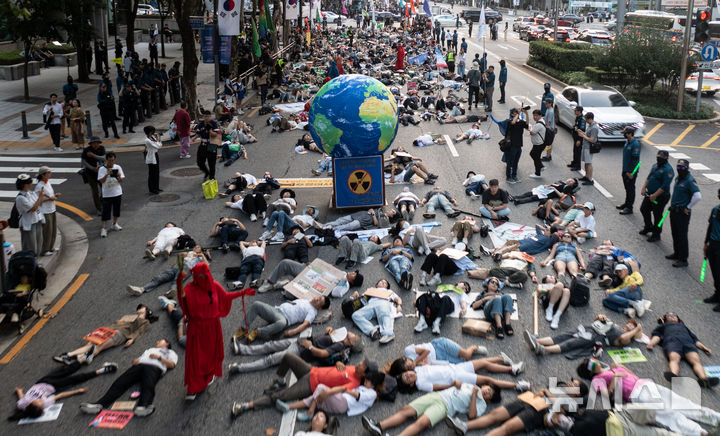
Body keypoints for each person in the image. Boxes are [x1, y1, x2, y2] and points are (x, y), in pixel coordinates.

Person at [577, 358, 720, 435]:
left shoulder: (612, 367)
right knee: (668, 415)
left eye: (591, 359)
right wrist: (614, 378)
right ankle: (699, 432)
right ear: (589, 372)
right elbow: (606, 394)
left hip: (645, 384)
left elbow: (632, 375)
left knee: (683, 403)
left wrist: (620, 367)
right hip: (636, 394)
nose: (594, 361)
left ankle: (715, 418)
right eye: (590, 363)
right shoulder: (596, 380)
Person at [231, 354, 375, 417]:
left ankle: (245, 406)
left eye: (363, 364)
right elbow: (335, 370)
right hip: (311, 370)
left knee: (280, 396)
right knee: (288, 356)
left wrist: (321, 396)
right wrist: (337, 362)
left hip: (310, 386)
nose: (360, 363)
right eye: (362, 361)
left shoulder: (355, 383)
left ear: (364, 374)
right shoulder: (352, 368)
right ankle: (280, 381)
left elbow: (338, 392)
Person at [179, 262, 243, 400]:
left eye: (205, 274)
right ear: (195, 276)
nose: (203, 277)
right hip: (197, 328)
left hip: (213, 327)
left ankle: (207, 378)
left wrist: (243, 293)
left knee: (210, 355)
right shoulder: (189, 288)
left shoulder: (214, 286)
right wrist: (179, 282)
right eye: (200, 275)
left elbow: (226, 297)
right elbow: (183, 302)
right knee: (195, 357)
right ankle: (193, 387)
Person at [79, 339, 177, 417]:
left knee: (148, 384)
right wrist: (135, 361)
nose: (157, 342)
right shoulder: (150, 349)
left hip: (154, 367)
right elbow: (139, 359)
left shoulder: (171, 352)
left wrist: (159, 358)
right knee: (120, 382)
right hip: (139, 366)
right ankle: (99, 404)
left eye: (160, 340)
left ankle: (143, 406)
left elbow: (172, 365)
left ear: (167, 343)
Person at [361, 382, 501, 436]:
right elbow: (453, 385)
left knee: (421, 423)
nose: (486, 391)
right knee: (406, 410)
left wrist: (476, 394)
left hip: (445, 407)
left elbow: (471, 415)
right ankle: (379, 426)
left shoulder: (482, 403)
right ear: (484, 386)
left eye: (489, 393)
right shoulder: (470, 385)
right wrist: (455, 384)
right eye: (487, 389)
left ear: (489, 399)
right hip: (437, 396)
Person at [9, 361, 117, 421]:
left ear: (30, 404)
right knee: (76, 378)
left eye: (38, 402)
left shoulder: (22, 404)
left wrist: (19, 390)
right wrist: (77, 391)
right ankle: (102, 370)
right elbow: (60, 396)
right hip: (54, 386)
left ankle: (82, 359)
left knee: (64, 371)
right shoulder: (45, 404)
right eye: (41, 403)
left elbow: (21, 397)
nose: (41, 401)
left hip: (42, 381)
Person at [229, 326, 363, 374]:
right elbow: (324, 341)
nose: (353, 333)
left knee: (270, 359)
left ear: (352, 343)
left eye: (355, 336)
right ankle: (241, 349)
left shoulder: (340, 346)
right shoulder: (340, 336)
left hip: (302, 350)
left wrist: (310, 346)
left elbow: (323, 353)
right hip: (300, 342)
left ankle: (240, 367)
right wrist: (328, 330)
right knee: (269, 345)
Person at [53, 305, 155, 365]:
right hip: (108, 329)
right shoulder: (130, 316)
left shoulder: (145, 322)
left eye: (141, 307)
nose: (139, 309)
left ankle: (70, 356)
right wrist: (120, 321)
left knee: (98, 347)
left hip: (120, 334)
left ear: (146, 310)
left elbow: (139, 331)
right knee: (90, 345)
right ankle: (72, 357)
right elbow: (117, 323)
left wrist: (132, 339)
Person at [647, 312, 718, 387]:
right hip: (672, 342)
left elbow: (695, 340)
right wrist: (651, 344)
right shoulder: (663, 326)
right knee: (674, 359)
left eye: (674, 315)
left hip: (688, 343)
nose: (672, 316)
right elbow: (657, 336)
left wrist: (704, 348)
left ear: (678, 318)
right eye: (669, 316)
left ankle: (704, 380)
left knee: (696, 361)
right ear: (664, 319)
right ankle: (673, 376)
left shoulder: (684, 326)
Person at [524, 314, 644, 358]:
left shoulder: (627, 337)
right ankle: (536, 340)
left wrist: (637, 329)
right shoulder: (617, 326)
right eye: (629, 323)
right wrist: (600, 317)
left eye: (632, 326)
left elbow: (623, 339)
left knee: (571, 343)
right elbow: (596, 320)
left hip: (598, 338)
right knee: (563, 336)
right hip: (590, 329)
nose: (629, 325)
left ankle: (544, 350)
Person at [281, 370, 384, 421]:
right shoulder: (367, 388)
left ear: (374, 384)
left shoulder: (373, 394)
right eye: (365, 380)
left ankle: (310, 413)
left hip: (343, 403)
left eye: (368, 381)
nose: (365, 382)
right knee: (316, 398)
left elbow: (358, 396)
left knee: (321, 388)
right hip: (340, 402)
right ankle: (288, 407)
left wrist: (345, 390)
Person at [237, 295, 330, 343]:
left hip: (283, 319)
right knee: (256, 304)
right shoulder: (306, 300)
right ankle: (243, 328)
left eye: (319, 301)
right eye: (319, 297)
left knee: (281, 323)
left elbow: (305, 324)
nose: (316, 299)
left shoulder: (313, 312)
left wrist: (292, 332)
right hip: (276, 310)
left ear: (320, 308)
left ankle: (257, 332)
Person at [257, 258, 363, 297]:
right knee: (285, 263)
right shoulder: (343, 272)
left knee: (289, 294)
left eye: (354, 274)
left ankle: (285, 284)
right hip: (309, 272)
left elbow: (335, 293)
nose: (353, 272)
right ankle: (270, 283)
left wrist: (341, 281)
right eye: (354, 272)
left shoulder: (345, 286)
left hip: (312, 287)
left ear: (353, 281)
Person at [666, 158, 701, 268]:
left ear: (687, 168)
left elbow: (698, 196)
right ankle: (677, 253)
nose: (679, 169)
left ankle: (683, 259)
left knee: (682, 235)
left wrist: (688, 207)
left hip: (682, 213)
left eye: (682, 167)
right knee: (675, 233)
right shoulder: (678, 178)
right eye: (678, 167)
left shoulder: (690, 180)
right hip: (674, 210)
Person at [350, 279, 402, 343]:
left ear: (386, 287)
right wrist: (355, 296)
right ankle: (372, 330)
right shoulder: (371, 289)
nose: (383, 283)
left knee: (384, 315)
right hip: (371, 304)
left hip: (383, 302)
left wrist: (399, 305)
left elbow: (398, 298)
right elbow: (362, 298)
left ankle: (388, 333)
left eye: (385, 283)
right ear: (377, 284)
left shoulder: (389, 291)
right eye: (381, 281)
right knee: (355, 315)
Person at [640, 150, 674, 242]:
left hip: (660, 197)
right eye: (658, 158)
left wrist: (655, 195)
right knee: (644, 209)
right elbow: (649, 177)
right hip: (650, 194)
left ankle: (656, 234)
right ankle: (648, 227)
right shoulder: (655, 166)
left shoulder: (668, 170)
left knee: (657, 215)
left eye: (661, 158)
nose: (659, 159)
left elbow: (665, 186)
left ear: (667, 158)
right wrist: (644, 188)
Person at [15, 174, 46, 256]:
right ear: (24, 185)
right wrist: (40, 197)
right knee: (30, 248)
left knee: (39, 245)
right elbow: (33, 208)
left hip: (37, 220)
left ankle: (35, 263)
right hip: (28, 225)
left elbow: (39, 204)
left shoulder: (31, 193)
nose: (30, 185)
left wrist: (41, 197)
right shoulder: (20, 198)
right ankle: (29, 264)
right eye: (29, 183)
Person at [98, 152, 124, 238]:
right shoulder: (102, 169)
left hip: (117, 192)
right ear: (106, 160)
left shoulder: (118, 167)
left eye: (112, 160)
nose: (111, 162)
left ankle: (115, 224)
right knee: (105, 212)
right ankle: (103, 228)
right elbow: (101, 181)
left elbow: (121, 181)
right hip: (107, 194)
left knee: (117, 210)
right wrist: (106, 174)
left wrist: (119, 176)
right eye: (109, 161)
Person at [34, 167, 59, 256]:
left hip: (52, 208)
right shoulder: (39, 186)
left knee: (53, 230)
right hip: (44, 210)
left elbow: (50, 195)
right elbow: (38, 201)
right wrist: (49, 199)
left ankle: (50, 247)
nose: (50, 174)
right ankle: (44, 250)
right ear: (43, 175)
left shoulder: (48, 182)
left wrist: (54, 196)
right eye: (48, 173)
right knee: (47, 231)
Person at [703, 188, 720, 311]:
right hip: (713, 243)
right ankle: (717, 294)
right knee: (714, 271)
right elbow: (710, 226)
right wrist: (706, 243)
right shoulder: (715, 209)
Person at [618, 127, 641, 215]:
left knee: (631, 189)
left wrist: (632, 172)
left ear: (630, 134)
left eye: (626, 133)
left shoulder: (635, 144)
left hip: (630, 172)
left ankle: (629, 207)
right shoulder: (628, 142)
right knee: (627, 188)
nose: (624, 134)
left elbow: (636, 161)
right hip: (625, 169)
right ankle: (626, 203)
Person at [193, 110, 221, 181]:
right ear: (203, 116)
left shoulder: (213, 123)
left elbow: (216, 134)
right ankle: (206, 172)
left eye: (208, 116)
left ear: (210, 116)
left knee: (211, 164)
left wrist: (210, 131)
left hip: (211, 146)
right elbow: (199, 132)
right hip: (203, 146)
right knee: (200, 162)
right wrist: (194, 137)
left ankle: (212, 178)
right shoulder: (201, 124)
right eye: (205, 116)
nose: (207, 118)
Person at [82, 136, 106, 215]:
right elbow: (83, 161)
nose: (95, 145)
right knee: (95, 191)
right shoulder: (86, 150)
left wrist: (93, 155)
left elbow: (104, 158)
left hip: (101, 172)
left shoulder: (102, 148)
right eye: (93, 143)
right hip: (90, 173)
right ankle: (99, 208)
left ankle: (101, 201)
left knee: (104, 188)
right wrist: (92, 168)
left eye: (97, 143)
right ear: (91, 144)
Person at [505, 107, 529, 183]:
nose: (516, 113)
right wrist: (518, 114)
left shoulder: (520, 122)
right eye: (514, 112)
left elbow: (527, 124)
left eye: (516, 112)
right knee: (510, 162)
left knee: (516, 162)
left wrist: (526, 113)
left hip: (519, 145)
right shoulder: (510, 121)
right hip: (512, 145)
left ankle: (514, 175)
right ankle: (508, 177)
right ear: (512, 114)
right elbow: (513, 122)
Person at [576, 112, 598, 185]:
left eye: (586, 119)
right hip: (585, 146)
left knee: (589, 163)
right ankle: (586, 176)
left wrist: (582, 135)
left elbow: (591, 139)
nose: (586, 121)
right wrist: (582, 132)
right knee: (586, 162)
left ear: (590, 119)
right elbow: (587, 134)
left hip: (589, 147)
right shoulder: (590, 125)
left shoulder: (594, 128)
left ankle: (590, 179)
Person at [527, 110, 547, 179]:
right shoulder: (541, 121)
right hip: (540, 143)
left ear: (540, 116)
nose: (534, 117)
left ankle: (538, 172)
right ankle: (540, 168)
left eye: (536, 116)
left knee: (534, 155)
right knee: (535, 156)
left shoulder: (539, 124)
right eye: (534, 115)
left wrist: (530, 129)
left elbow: (532, 132)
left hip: (538, 144)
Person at [143, 125, 162, 194]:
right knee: (152, 173)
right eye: (153, 131)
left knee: (156, 172)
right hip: (151, 157)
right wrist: (159, 139)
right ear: (150, 132)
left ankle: (156, 187)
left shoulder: (152, 137)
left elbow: (157, 145)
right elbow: (158, 146)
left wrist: (157, 138)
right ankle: (152, 189)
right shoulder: (147, 140)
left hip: (155, 155)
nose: (154, 133)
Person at [567, 105, 585, 171]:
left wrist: (579, 140)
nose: (574, 111)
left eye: (576, 110)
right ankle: (574, 163)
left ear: (579, 111)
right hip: (575, 136)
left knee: (578, 152)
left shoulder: (582, 120)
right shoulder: (577, 117)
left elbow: (582, 130)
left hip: (578, 138)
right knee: (575, 150)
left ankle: (578, 166)